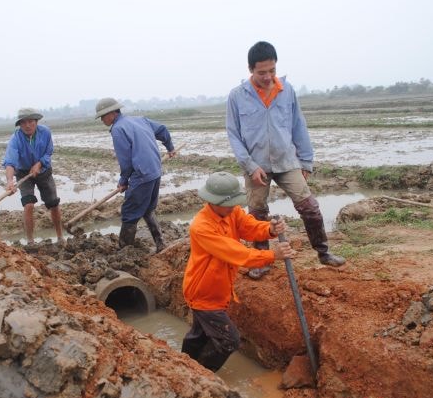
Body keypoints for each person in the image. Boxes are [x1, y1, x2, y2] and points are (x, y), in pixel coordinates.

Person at [226, 41, 345, 279]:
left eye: (272, 70)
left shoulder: (287, 90)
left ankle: (323, 252)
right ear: (251, 70)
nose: (268, 77)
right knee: (257, 213)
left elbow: (298, 125)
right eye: (262, 72)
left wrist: (306, 161)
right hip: (256, 165)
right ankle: (261, 261)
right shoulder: (237, 96)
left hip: (287, 161)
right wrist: (250, 166)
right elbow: (234, 135)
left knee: (309, 207)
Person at [181, 171, 296, 372]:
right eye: (230, 203)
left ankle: (183, 364)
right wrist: (271, 255)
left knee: (200, 334)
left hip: (219, 288)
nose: (235, 206)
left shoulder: (231, 212)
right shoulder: (201, 227)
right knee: (229, 340)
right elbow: (237, 253)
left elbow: (249, 227)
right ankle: (202, 375)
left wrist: (269, 229)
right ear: (214, 201)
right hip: (203, 293)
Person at [95, 97, 176, 252]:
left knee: (129, 213)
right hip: (155, 171)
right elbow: (162, 130)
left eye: (103, 116)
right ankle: (160, 244)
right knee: (147, 209)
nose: (102, 120)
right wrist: (170, 147)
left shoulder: (118, 129)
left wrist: (123, 180)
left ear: (112, 113)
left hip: (142, 174)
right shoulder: (140, 120)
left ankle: (125, 252)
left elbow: (126, 161)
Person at [2, 107, 63, 246]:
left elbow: (48, 152)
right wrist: (10, 181)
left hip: (44, 171)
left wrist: (39, 164)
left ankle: (60, 237)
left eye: (30, 121)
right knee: (28, 205)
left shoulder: (45, 132)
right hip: (23, 173)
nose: (27, 125)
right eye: (23, 122)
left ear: (36, 122)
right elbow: (10, 162)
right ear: (20, 125)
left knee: (53, 203)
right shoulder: (15, 139)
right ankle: (30, 242)